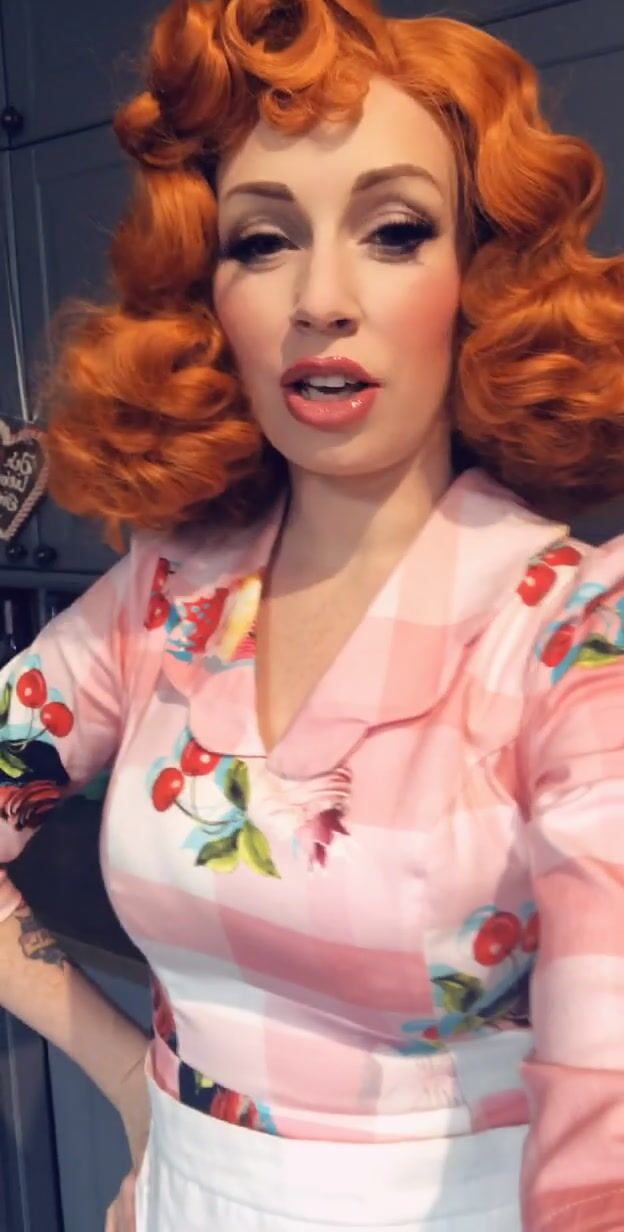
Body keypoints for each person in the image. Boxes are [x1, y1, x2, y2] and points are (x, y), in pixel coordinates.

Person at [1, 0, 624, 1228]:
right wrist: (134, 1083)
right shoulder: (168, 593)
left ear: (481, 277)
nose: (320, 298)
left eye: (395, 231)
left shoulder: (570, 637)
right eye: (263, 240)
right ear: (208, 297)